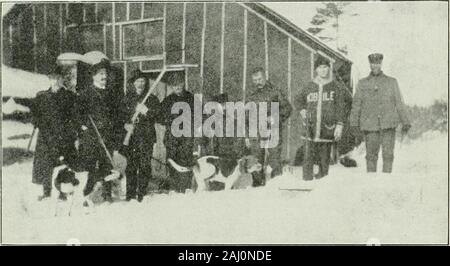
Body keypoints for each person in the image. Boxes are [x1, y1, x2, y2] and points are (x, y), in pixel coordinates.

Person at [349, 53, 411, 173]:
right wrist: (354, 124)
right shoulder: (362, 83)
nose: (375, 66)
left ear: (381, 64)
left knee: (388, 155)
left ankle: (386, 183)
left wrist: (405, 122)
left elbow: (399, 103)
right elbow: (356, 105)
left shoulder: (391, 82)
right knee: (371, 156)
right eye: (373, 63)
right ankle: (372, 183)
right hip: (370, 126)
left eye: (377, 63)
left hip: (388, 125)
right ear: (370, 64)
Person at [75, 59, 122, 203]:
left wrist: (115, 133)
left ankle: (107, 195)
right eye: (101, 74)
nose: (104, 77)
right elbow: (77, 115)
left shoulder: (112, 94)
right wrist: (83, 127)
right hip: (91, 137)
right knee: (91, 167)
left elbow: (116, 116)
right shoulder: (85, 94)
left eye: (105, 74)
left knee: (107, 166)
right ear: (93, 76)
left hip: (107, 136)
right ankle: (86, 194)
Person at [295, 56, 347, 180]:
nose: (323, 70)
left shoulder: (335, 87)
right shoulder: (309, 86)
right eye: (320, 68)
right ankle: (306, 182)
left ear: (328, 69)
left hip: (327, 129)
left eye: (325, 67)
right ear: (316, 70)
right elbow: (297, 100)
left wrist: (339, 125)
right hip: (310, 128)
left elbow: (341, 107)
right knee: (308, 158)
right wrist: (302, 110)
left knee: (324, 159)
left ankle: (322, 185)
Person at [31, 66, 78, 200]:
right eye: (52, 78)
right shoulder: (42, 96)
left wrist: (71, 132)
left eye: (58, 78)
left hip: (64, 136)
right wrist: (36, 121)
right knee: (46, 164)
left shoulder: (70, 96)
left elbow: (74, 117)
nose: (55, 81)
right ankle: (46, 193)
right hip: (46, 136)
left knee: (64, 163)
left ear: (62, 79)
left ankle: (63, 192)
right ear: (49, 80)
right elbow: (34, 113)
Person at [245, 67, 293, 186]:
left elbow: (287, 108)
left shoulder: (275, 91)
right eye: (255, 80)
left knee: (275, 160)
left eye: (260, 79)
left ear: (265, 77)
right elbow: (246, 117)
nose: (258, 82)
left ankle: (276, 185)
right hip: (255, 132)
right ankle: (257, 186)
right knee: (256, 161)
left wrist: (275, 118)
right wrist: (246, 135)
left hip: (273, 131)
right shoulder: (251, 95)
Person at [120, 70, 161, 202]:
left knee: (144, 165)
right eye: (137, 81)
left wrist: (146, 111)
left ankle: (142, 193)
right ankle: (130, 195)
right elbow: (119, 117)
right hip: (131, 137)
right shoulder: (127, 99)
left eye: (143, 81)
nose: (140, 83)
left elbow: (158, 116)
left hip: (146, 136)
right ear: (133, 83)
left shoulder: (152, 99)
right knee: (131, 165)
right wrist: (126, 125)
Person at [158, 72, 195, 193]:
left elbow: (198, 116)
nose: (177, 87)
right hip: (172, 137)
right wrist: (169, 120)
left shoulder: (191, 98)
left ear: (183, 84)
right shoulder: (168, 100)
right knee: (172, 161)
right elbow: (160, 117)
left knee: (186, 160)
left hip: (186, 136)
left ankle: (186, 187)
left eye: (179, 84)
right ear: (171, 87)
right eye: (174, 85)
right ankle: (174, 187)